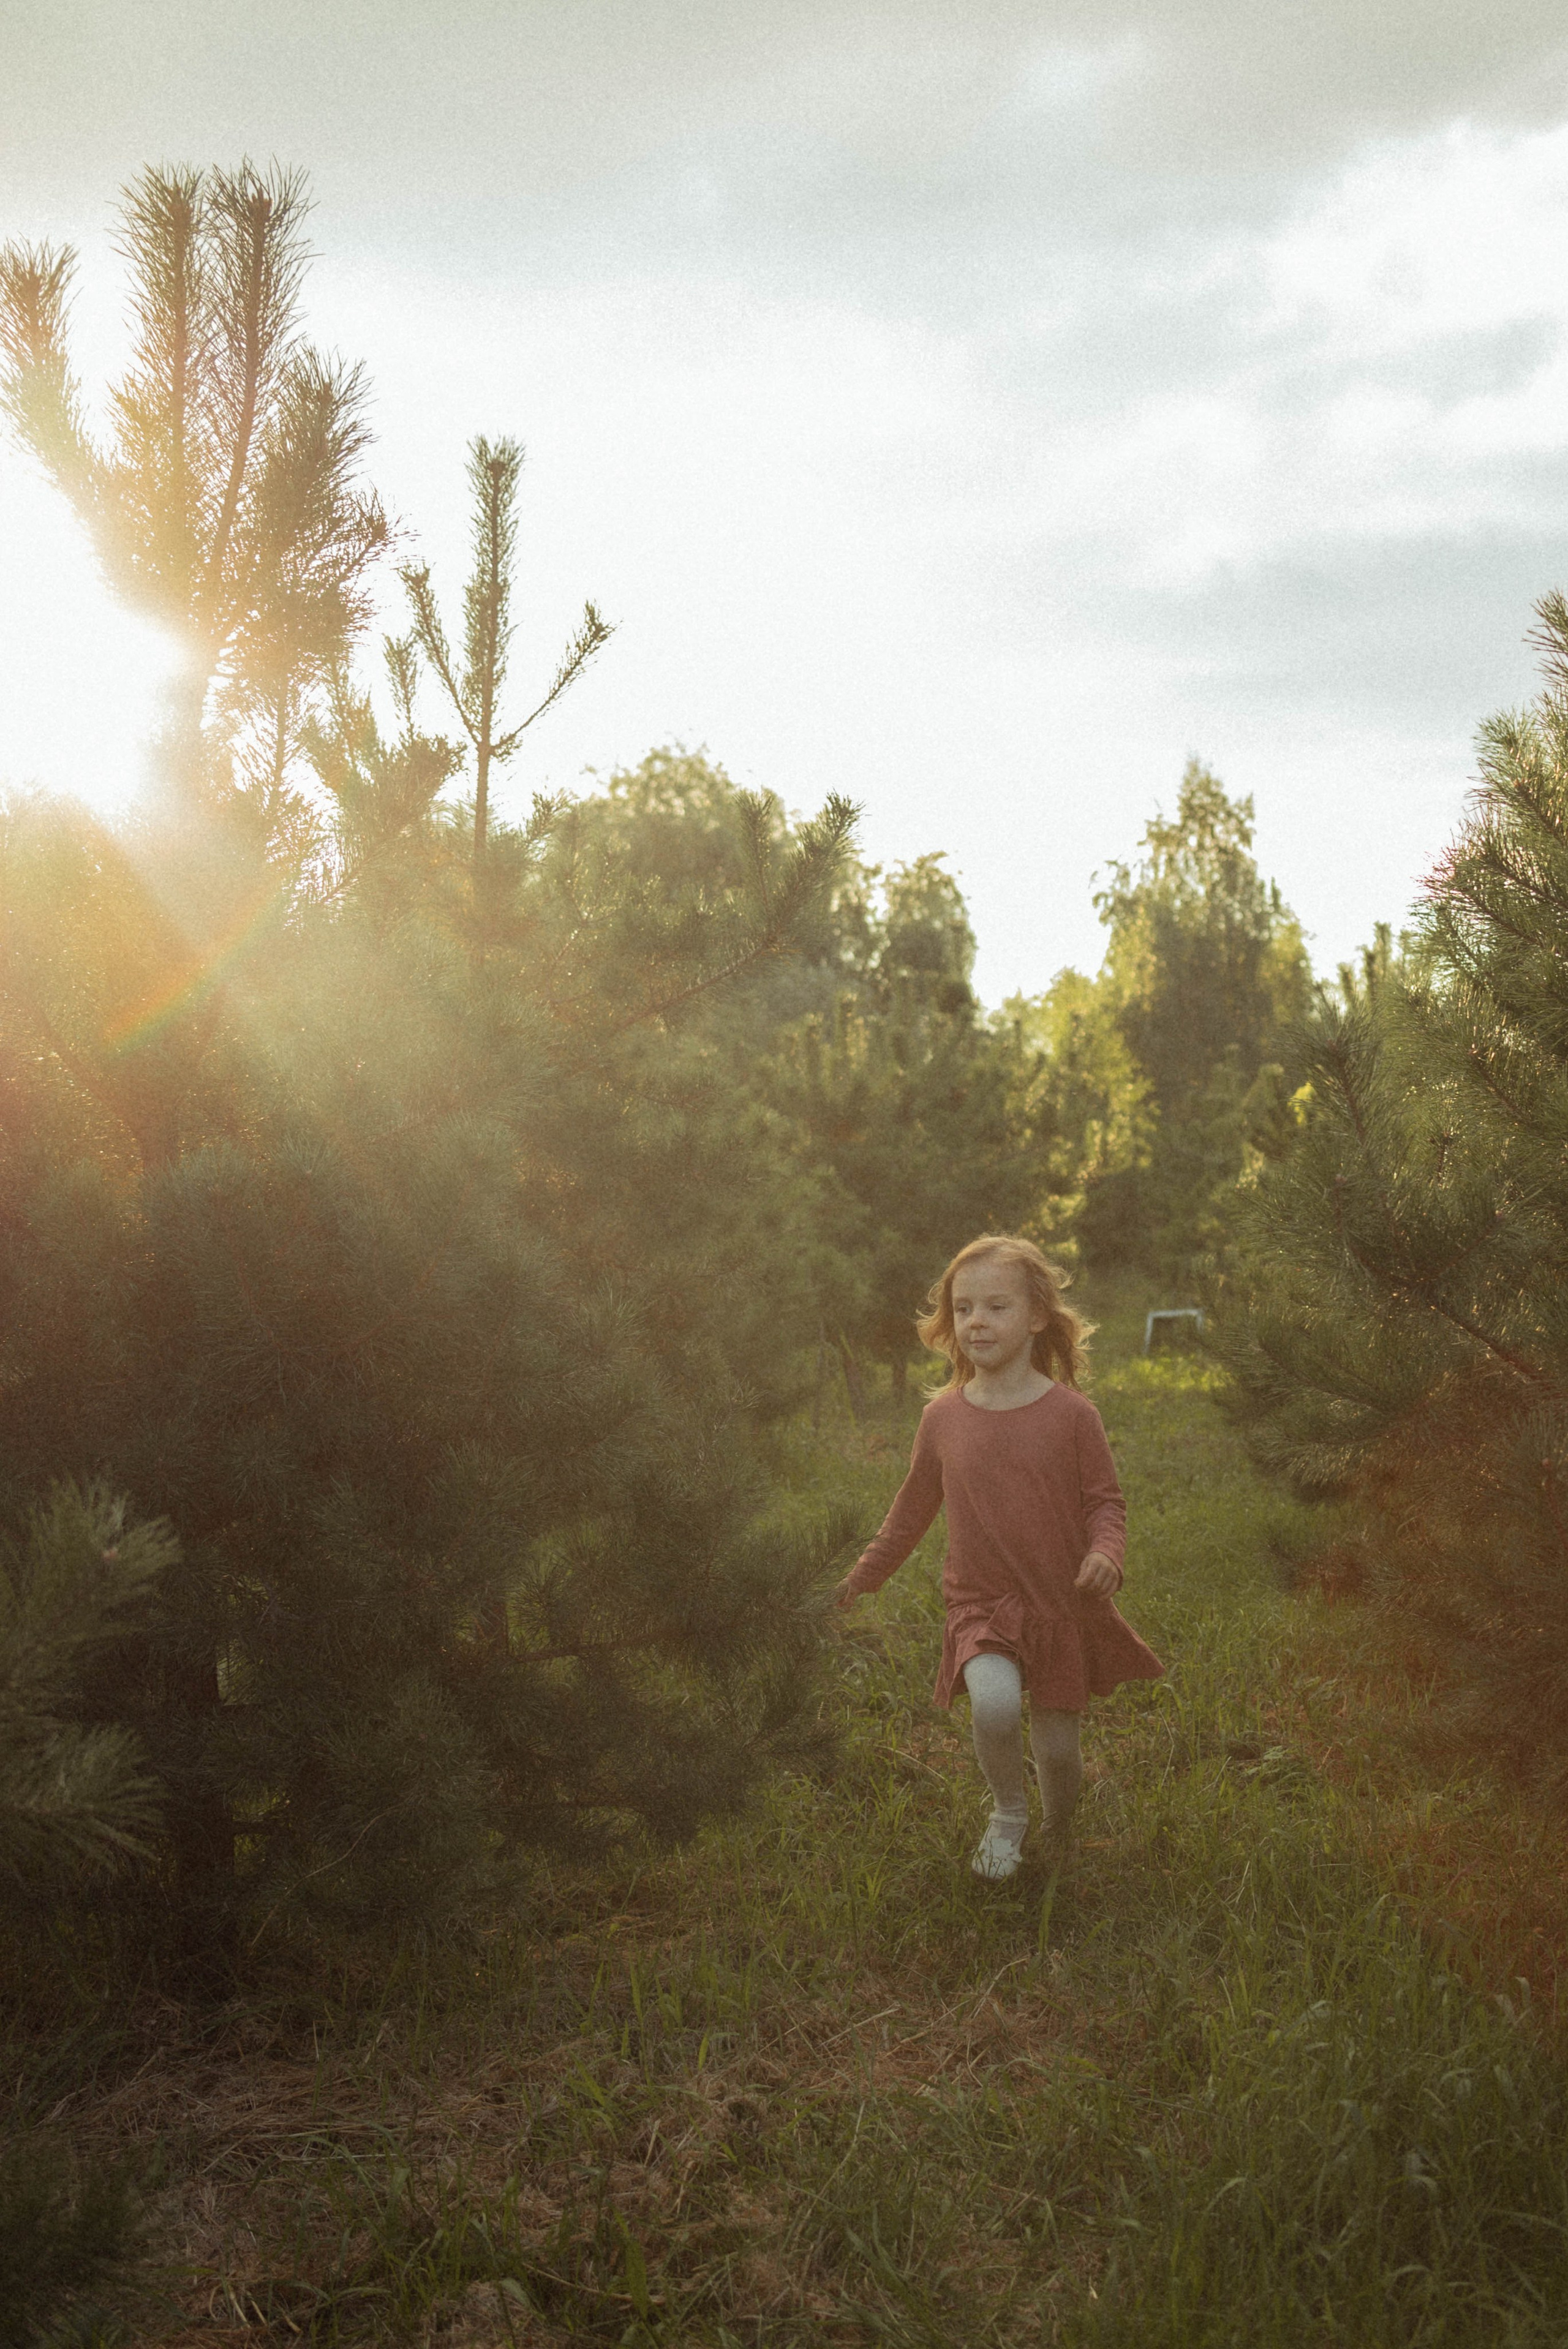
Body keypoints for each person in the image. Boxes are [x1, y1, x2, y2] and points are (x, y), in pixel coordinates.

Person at [835, 1234, 1163, 1880]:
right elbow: (909, 1513)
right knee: (991, 1702)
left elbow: (1106, 1504)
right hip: (980, 1602)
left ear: (1037, 1316)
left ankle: (1058, 1833)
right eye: (963, 1309)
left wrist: (1106, 1554)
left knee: (1061, 1753)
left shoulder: (1073, 1415)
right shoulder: (942, 1418)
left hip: (1058, 1604)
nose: (976, 1321)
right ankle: (1009, 1811)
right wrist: (854, 1583)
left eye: (995, 1306)